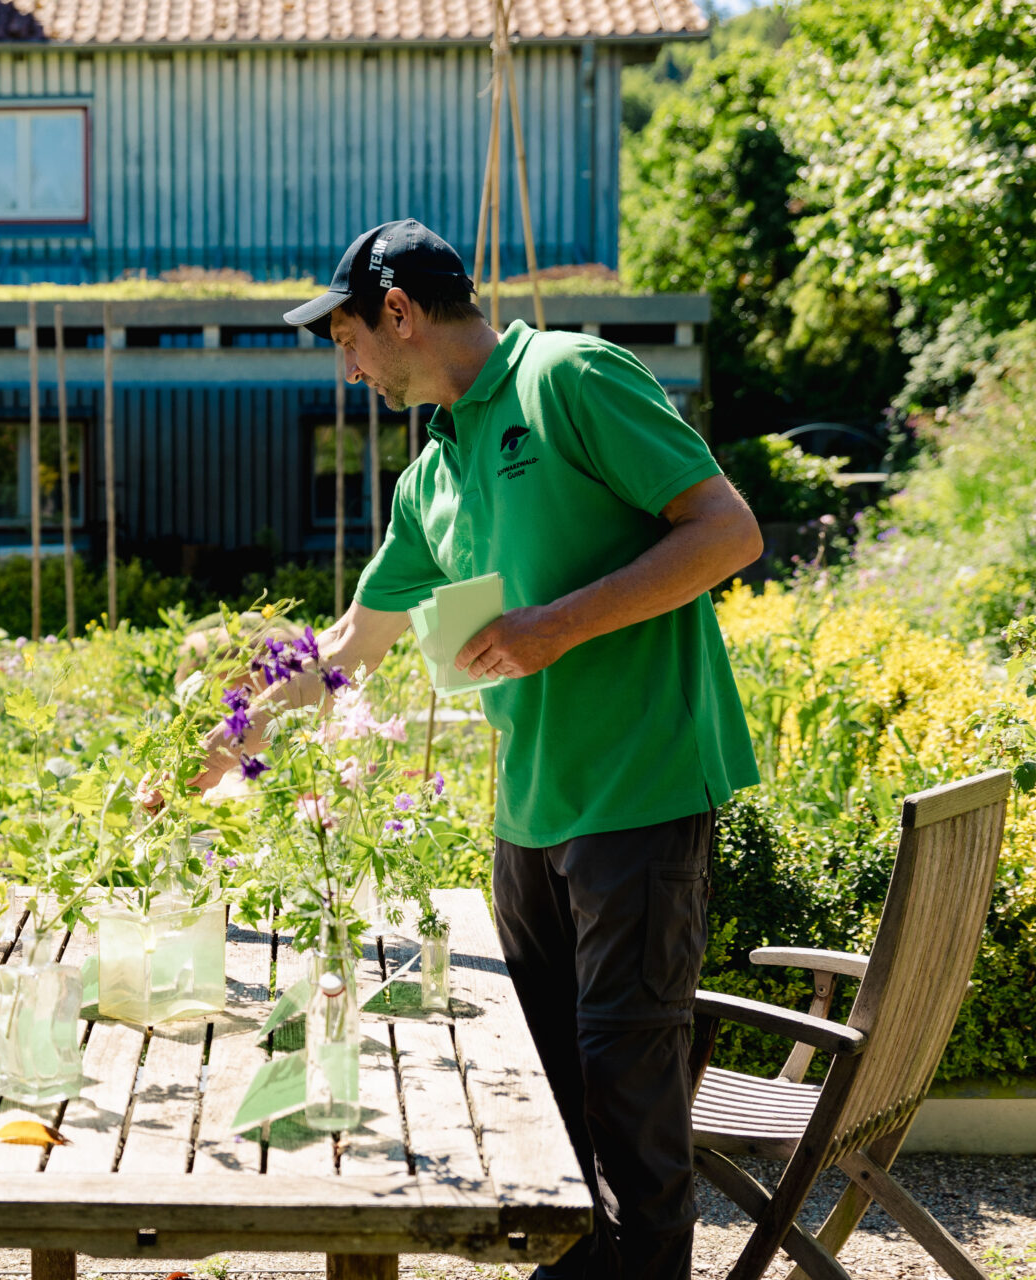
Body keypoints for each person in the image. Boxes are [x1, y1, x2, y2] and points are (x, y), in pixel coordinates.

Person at [194, 220, 763, 1280]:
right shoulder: (435, 471)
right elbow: (355, 640)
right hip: (529, 817)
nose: (348, 365)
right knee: (547, 1109)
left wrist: (559, 624)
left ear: (400, 312)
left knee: (631, 1113)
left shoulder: (572, 377)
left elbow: (727, 531)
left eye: (349, 338)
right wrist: (242, 727)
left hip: (638, 796)